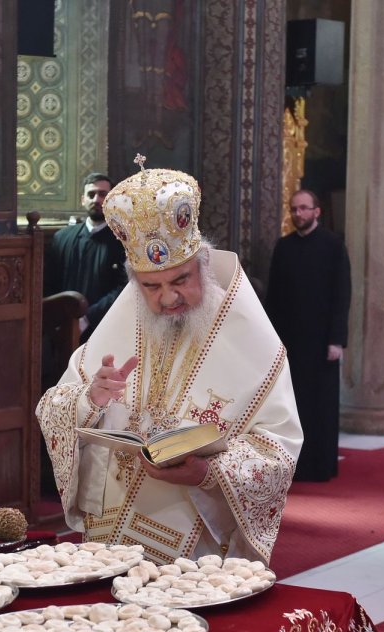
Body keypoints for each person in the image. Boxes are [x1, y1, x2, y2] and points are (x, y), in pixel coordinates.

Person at [37, 163, 302, 565]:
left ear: (204, 265)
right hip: (107, 535)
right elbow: (51, 407)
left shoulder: (255, 343)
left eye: (180, 280)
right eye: (151, 286)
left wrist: (208, 473)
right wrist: (89, 399)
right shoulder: (119, 325)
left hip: (193, 547)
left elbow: (278, 449)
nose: (167, 298)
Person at [265, 189, 351, 481]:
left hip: (322, 341)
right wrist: (272, 340)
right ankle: (294, 465)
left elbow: (342, 295)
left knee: (321, 404)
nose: (298, 213)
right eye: (294, 209)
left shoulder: (333, 246)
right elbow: (274, 297)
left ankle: (322, 466)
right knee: (292, 404)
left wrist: (337, 339)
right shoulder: (284, 247)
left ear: (317, 211)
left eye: (303, 208)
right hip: (290, 340)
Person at [44, 172, 128, 340]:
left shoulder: (124, 241)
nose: (96, 199)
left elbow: (124, 288)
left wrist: (87, 318)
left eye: (102, 194)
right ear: (83, 200)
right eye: (91, 194)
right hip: (62, 328)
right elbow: (48, 283)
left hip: (105, 329)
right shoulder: (62, 238)